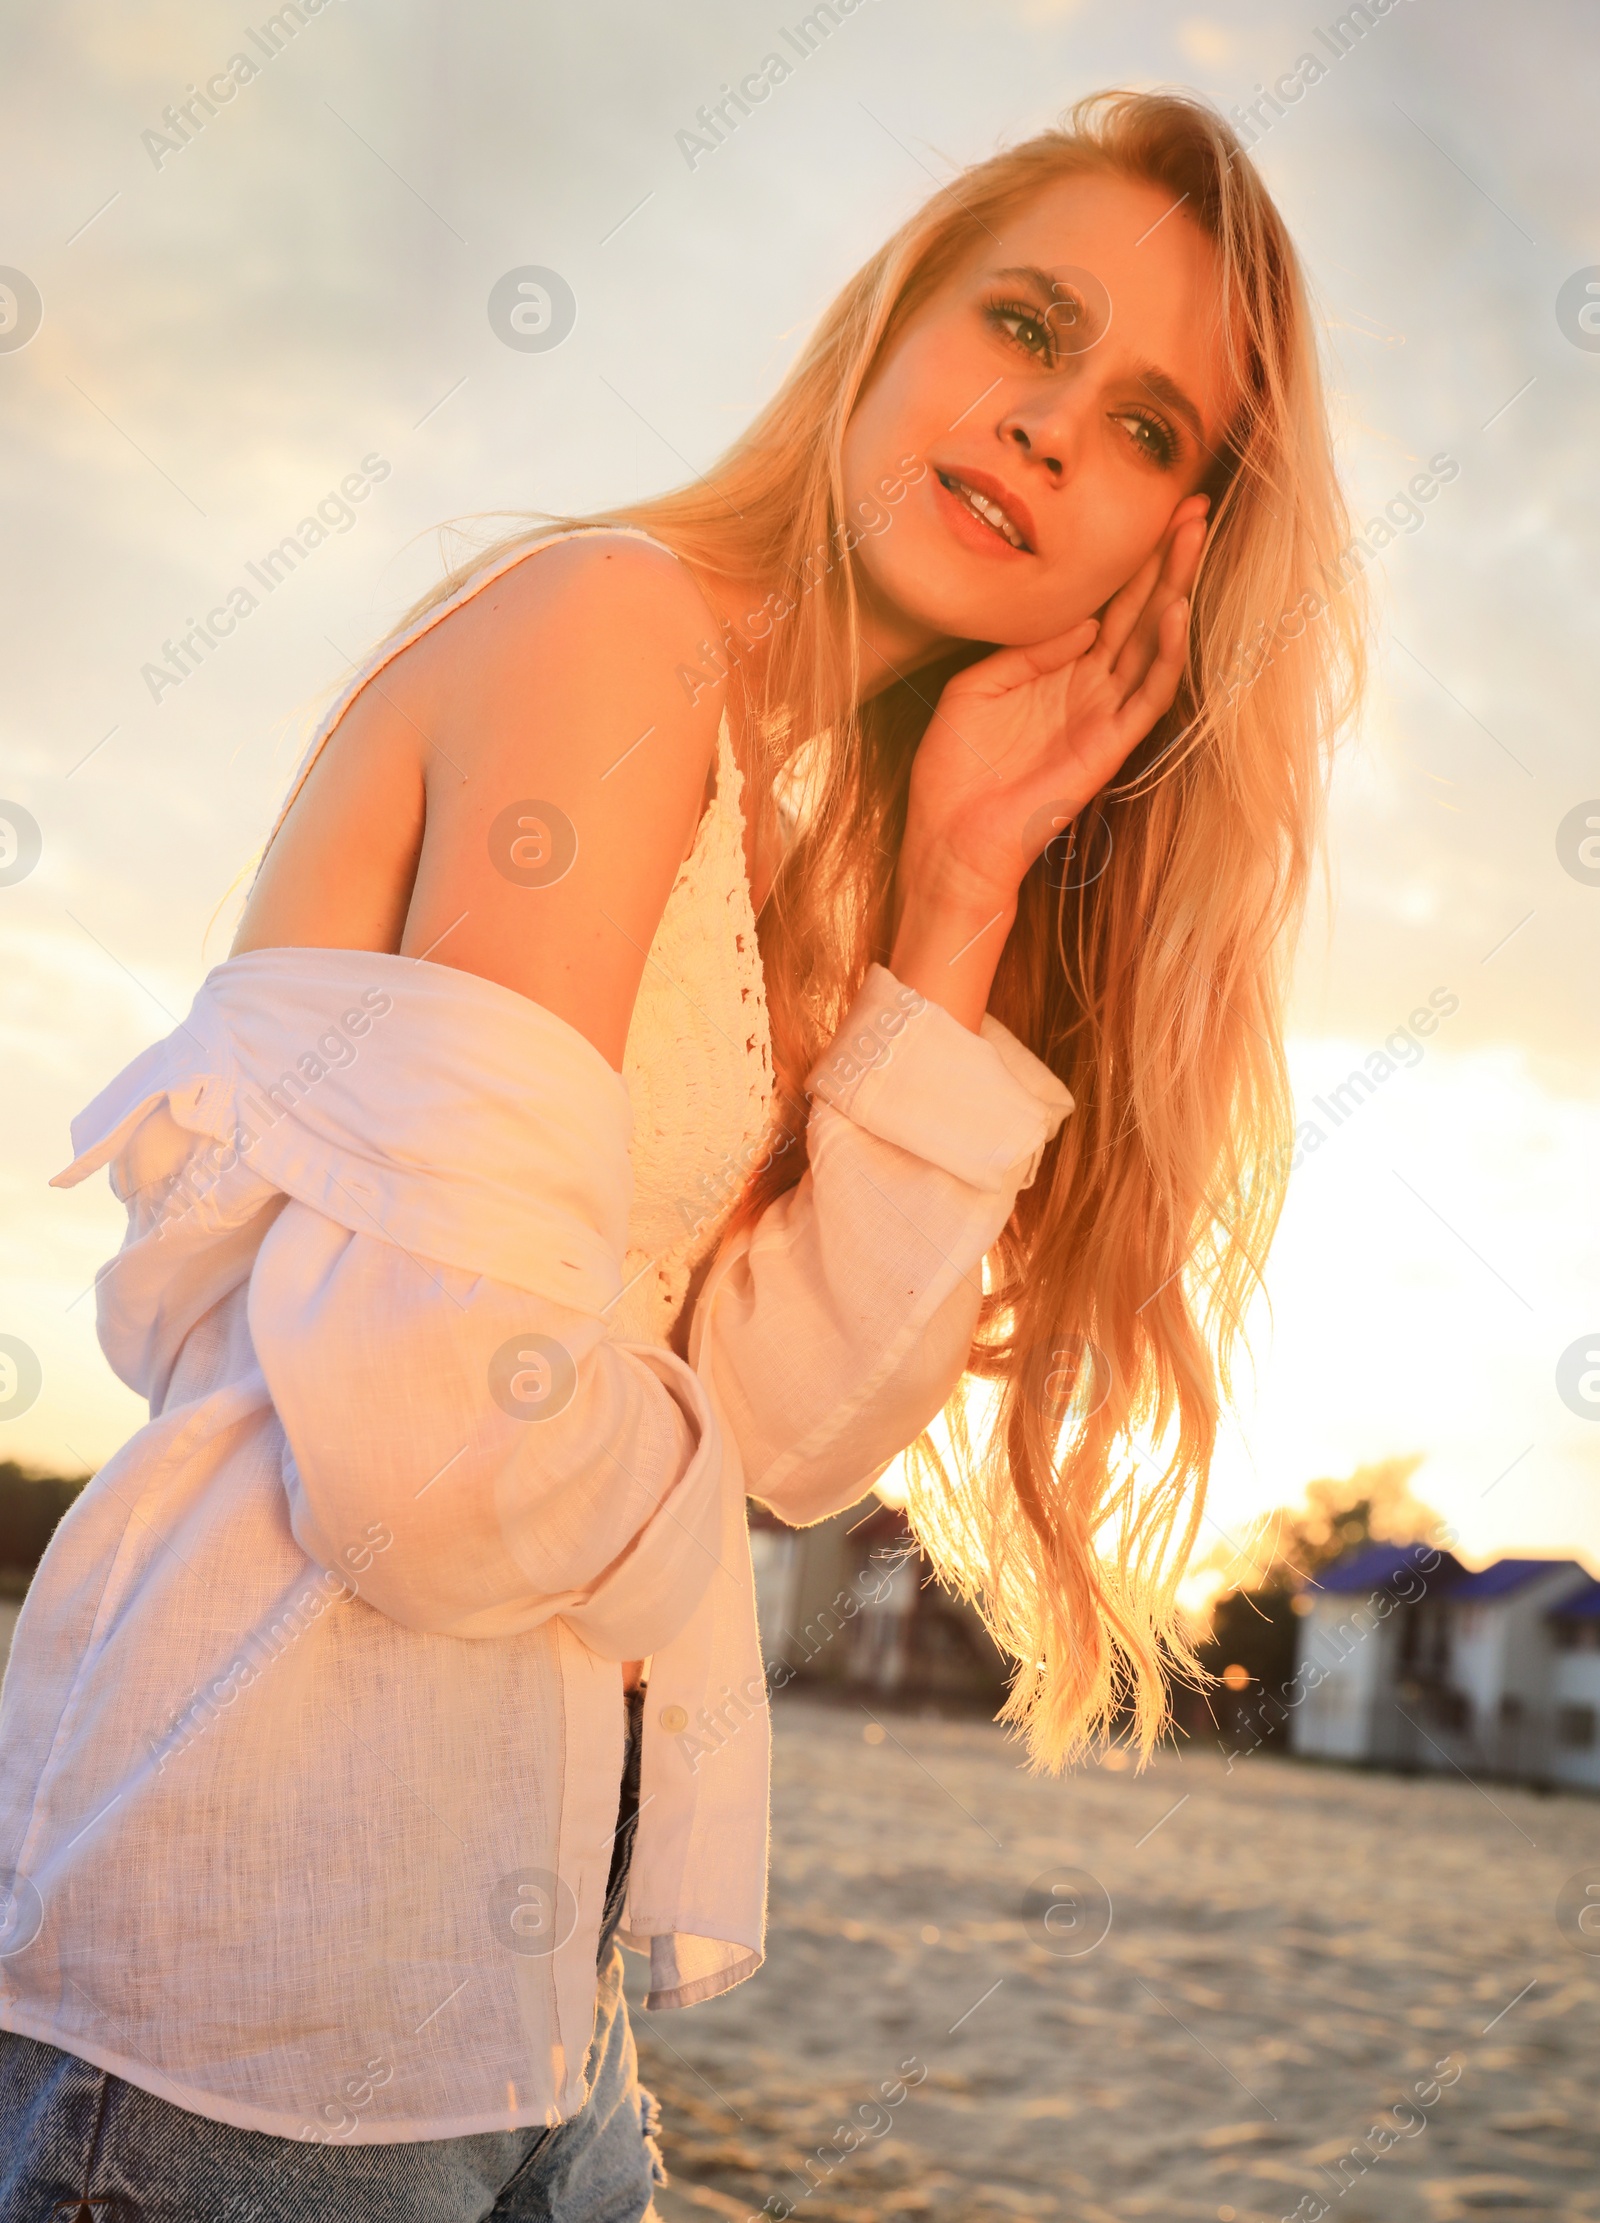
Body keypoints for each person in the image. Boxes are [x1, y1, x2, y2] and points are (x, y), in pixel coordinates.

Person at [0, 87, 1364, 2221]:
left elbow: (791, 1436)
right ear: (887, 322)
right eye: (1022, 328)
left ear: (1166, 556)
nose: (1042, 432)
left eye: (1141, 430)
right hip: (237, 2023)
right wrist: (682, 1513)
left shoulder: (822, 825)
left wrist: (959, 901)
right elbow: (438, 1461)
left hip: (533, 2029)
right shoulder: (606, 636)